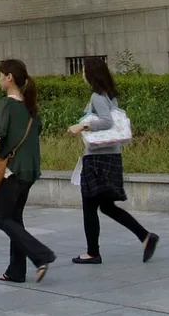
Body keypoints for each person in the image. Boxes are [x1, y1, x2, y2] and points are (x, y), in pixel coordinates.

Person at [67, 56, 159, 264]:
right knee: (107, 206)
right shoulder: (110, 96)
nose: (81, 74)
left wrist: (81, 126)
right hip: (112, 156)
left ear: (90, 73)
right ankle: (145, 236)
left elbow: (107, 122)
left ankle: (93, 252)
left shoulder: (97, 96)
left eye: (83, 70)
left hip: (98, 159)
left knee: (89, 205)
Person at [0, 58, 55, 283]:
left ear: (9, 77)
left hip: (12, 171)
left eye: (1, 75)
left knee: (1, 217)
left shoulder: (6, 105)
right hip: (30, 170)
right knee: (14, 218)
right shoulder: (31, 108)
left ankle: (41, 255)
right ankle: (16, 271)